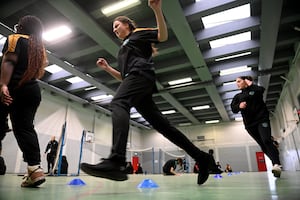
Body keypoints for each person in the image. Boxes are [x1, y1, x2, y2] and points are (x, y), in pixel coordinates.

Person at [80, 0, 214, 185]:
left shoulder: (137, 34)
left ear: (127, 25)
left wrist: (157, 10)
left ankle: (116, 160)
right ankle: (201, 158)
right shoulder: (123, 48)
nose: (114, 30)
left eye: (117, 25)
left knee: (119, 103)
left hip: (142, 75)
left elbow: (162, 35)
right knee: (163, 126)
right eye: (113, 28)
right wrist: (108, 69)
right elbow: (125, 77)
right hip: (136, 80)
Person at [0, 15, 48, 187]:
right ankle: (35, 170)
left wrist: (4, 85)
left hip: (13, 88)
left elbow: (9, 62)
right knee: (25, 128)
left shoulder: (15, 39)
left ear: (21, 27)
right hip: (32, 90)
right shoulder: (38, 46)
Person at [231, 76, 282, 177]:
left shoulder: (255, 90)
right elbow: (233, 108)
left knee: (266, 140)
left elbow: (261, 90)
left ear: (245, 81)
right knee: (263, 145)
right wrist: (239, 106)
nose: (237, 83)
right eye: (236, 82)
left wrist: (251, 85)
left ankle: (276, 164)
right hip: (250, 125)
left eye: (239, 81)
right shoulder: (237, 96)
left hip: (261, 119)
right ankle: (276, 161)